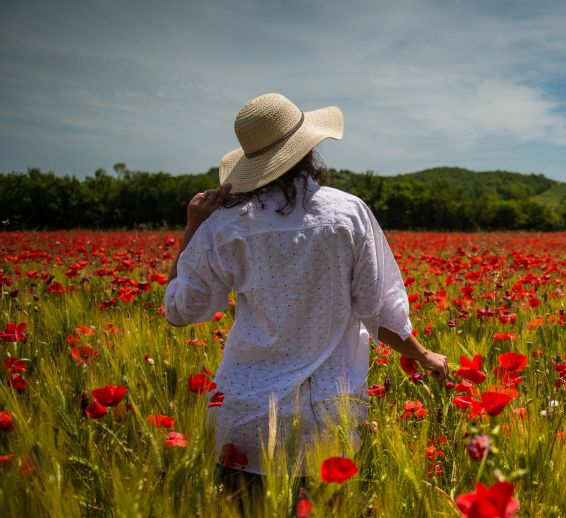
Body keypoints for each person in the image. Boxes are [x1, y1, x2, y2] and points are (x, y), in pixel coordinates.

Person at [162, 93, 448, 503]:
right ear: (309, 148)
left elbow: (180, 311)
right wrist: (424, 356)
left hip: (245, 416)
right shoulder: (348, 214)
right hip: (327, 419)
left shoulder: (224, 227)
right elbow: (379, 311)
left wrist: (193, 226)